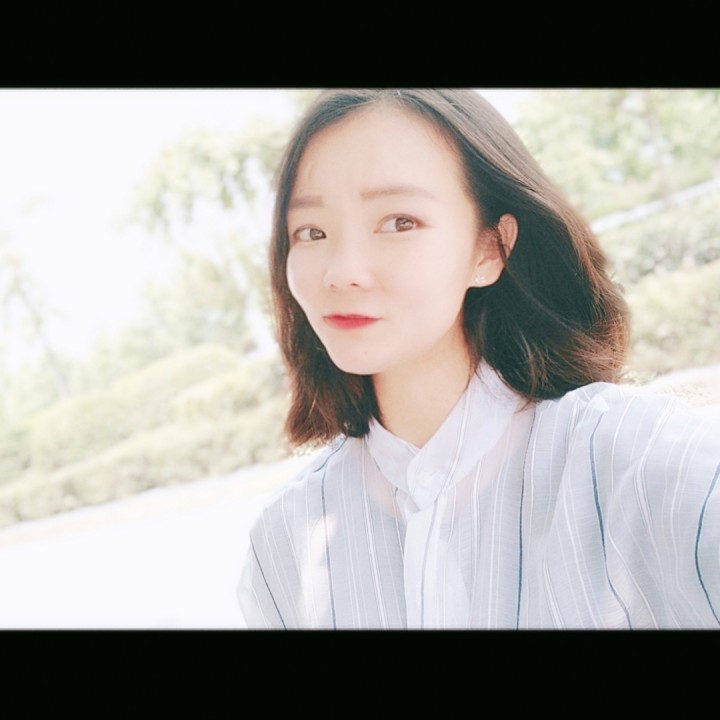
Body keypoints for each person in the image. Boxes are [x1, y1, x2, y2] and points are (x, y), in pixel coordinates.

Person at [237, 88, 720, 629]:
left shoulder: (646, 467)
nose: (341, 270)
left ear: (491, 247)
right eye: (311, 232)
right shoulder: (284, 546)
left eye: (399, 221)